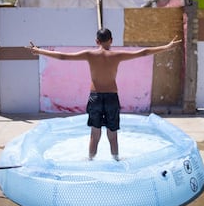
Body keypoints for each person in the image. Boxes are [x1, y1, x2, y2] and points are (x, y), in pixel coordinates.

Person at [27, 28, 181, 161]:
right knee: (112, 134)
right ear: (111, 40)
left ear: (97, 41)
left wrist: (38, 50)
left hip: (95, 97)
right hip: (111, 98)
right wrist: (167, 47)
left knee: (95, 133)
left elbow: (63, 56)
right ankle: (116, 161)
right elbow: (144, 52)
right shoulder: (117, 55)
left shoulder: (89, 54)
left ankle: (90, 161)